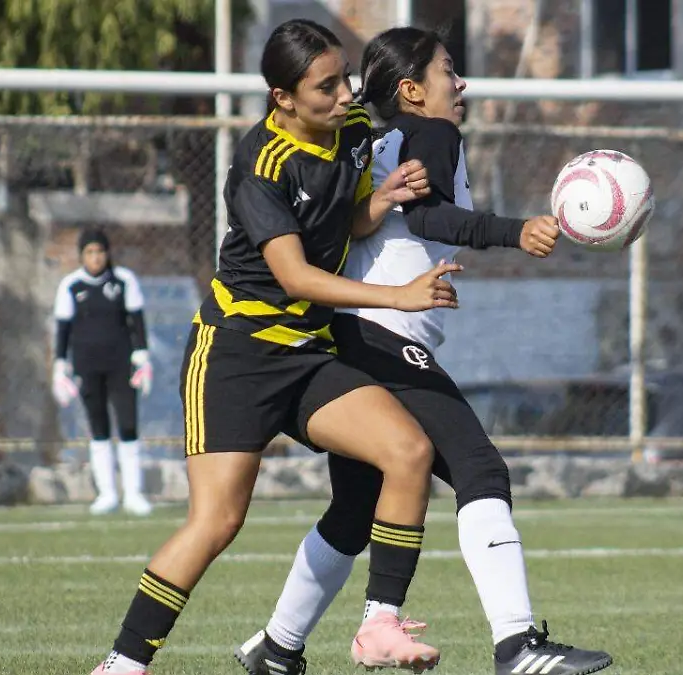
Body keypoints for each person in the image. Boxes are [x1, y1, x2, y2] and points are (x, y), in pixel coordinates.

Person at [233, 27, 615, 675]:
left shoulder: (374, 140)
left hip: (348, 334)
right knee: (481, 470)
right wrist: (516, 231)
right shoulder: (432, 133)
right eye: (448, 72)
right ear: (412, 90)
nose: (460, 84)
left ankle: (278, 644)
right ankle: (516, 644)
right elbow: (432, 218)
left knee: (355, 509)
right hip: (383, 334)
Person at [90, 18, 464, 675]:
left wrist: (377, 204)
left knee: (407, 451)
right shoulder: (259, 164)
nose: (344, 94)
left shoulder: (350, 134)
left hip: (306, 353)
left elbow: (336, 221)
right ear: (282, 98)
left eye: (344, 77)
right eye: (325, 86)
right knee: (217, 523)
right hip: (234, 356)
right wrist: (399, 296)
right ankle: (123, 663)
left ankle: (378, 624)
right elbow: (294, 274)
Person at [52, 228, 154, 517]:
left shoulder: (124, 281)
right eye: (89, 252)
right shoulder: (71, 285)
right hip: (87, 366)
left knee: (128, 426)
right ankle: (107, 493)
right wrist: (60, 366)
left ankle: (134, 493)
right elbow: (63, 330)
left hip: (121, 365)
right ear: (82, 255)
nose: (95, 258)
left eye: (100, 251)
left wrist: (142, 357)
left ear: (108, 253)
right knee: (98, 429)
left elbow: (137, 323)